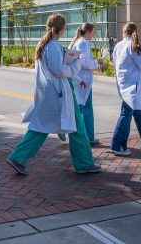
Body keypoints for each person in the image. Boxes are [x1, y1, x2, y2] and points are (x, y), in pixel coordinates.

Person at [6, 14, 101, 175]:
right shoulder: (53, 46)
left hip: (50, 94)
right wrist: (75, 64)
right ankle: (84, 164)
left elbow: (55, 67)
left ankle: (18, 157)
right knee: (76, 128)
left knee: (40, 128)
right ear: (62, 28)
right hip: (59, 94)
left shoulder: (45, 45)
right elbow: (58, 70)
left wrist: (70, 66)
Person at [110, 22, 141, 156]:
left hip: (124, 83)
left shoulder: (118, 46)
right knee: (127, 113)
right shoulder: (134, 46)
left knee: (138, 111)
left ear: (123, 32)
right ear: (135, 32)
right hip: (134, 86)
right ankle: (117, 145)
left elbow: (115, 62)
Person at [69, 23, 103, 145]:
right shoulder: (83, 43)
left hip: (78, 79)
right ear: (87, 32)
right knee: (86, 108)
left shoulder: (76, 42)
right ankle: (88, 137)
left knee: (79, 108)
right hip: (83, 80)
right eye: (93, 32)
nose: (93, 35)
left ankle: (80, 136)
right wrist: (97, 61)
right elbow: (84, 62)